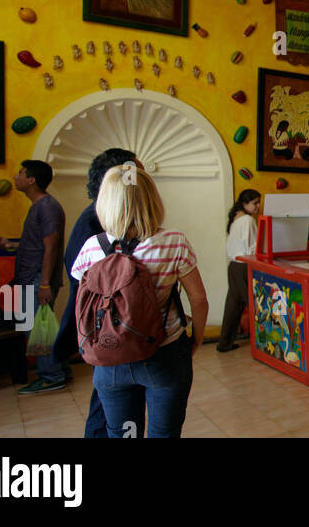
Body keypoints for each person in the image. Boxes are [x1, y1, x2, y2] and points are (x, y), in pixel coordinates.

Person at [70, 166, 207, 438]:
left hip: (110, 360)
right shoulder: (173, 242)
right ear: (152, 200)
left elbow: (82, 304)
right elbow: (198, 298)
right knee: (164, 433)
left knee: (122, 434)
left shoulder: (90, 247)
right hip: (164, 354)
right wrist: (197, 338)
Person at [51, 148, 138, 434]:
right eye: (135, 172)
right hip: (105, 330)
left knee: (115, 402)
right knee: (109, 405)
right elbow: (82, 278)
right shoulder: (94, 220)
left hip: (112, 329)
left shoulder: (107, 216)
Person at [13, 160, 67, 395]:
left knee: (39, 330)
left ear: (31, 179)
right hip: (32, 277)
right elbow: (38, 242)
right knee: (38, 328)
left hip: (38, 279)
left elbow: (51, 246)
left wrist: (44, 283)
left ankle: (52, 376)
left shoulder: (46, 206)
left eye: (20, 173)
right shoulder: (39, 206)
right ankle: (58, 369)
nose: (16, 177)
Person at [217, 189, 261, 353]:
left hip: (234, 266)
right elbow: (254, 247)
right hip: (244, 266)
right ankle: (263, 342)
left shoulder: (236, 219)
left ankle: (224, 342)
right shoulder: (248, 220)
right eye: (255, 203)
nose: (257, 206)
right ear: (245, 203)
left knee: (233, 306)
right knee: (256, 303)